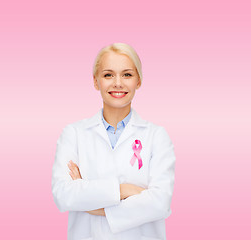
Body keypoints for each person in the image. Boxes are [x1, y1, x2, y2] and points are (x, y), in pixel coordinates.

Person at [51, 42, 176, 240]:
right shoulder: (73, 134)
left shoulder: (156, 136)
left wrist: (91, 202)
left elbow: (160, 203)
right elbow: (63, 195)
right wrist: (124, 190)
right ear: (96, 81)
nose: (118, 83)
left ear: (139, 81)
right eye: (108, 74)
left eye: (127, 74)